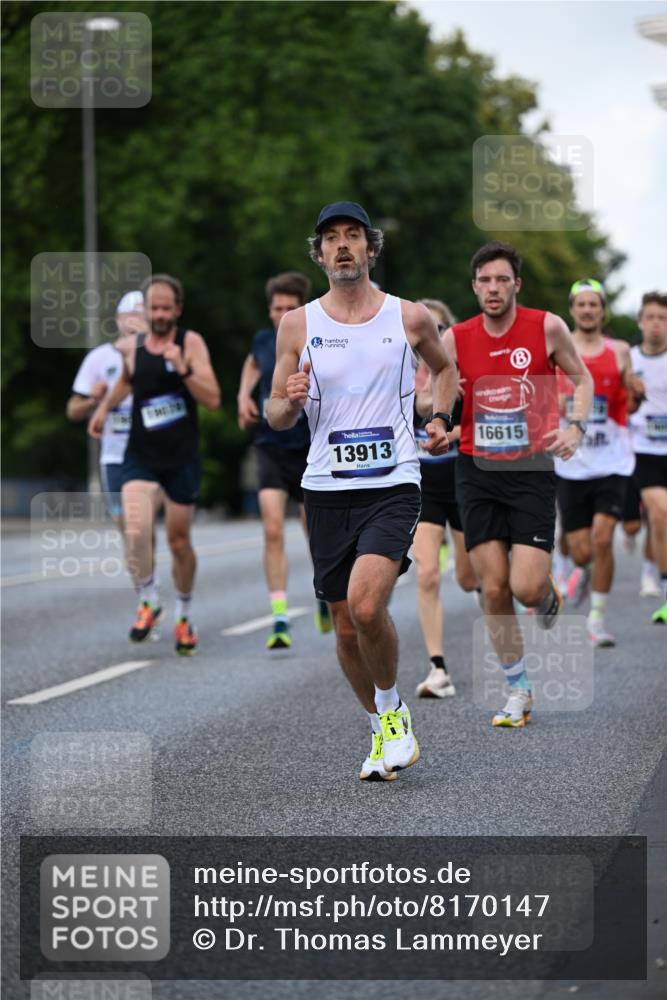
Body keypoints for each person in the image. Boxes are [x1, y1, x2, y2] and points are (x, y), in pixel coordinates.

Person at [267, 201, 457, 780]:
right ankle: (382, 727)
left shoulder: (409, 316)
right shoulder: (298, 324)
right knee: (345, 623)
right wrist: (288, 401)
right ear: (319, 253)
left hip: (394, 480)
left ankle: (393, 710)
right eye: (332, 238)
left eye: (353, 236)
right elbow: (274, 413)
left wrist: (440, 417)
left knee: (369, 604)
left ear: (371, 249)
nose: (343, 245)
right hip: (324, 486)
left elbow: (444, 369)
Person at [442, 241, 593, 728]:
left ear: (516, 285)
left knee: (525, 587)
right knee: (492, 587)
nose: (492, 288)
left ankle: (547, 595)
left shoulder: (546, 326)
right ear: (474, 286)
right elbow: (431, 398)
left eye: (501, 280)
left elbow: (582, 379)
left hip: (530, 469)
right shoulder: (456, 339)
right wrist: (439, 421)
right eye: (484, 280)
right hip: (475, 469)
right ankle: (517, 688)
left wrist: (574, 428)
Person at [89, 274, 221, 654]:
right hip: (140, 455)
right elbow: (127, 381)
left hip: (180, 457)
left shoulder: (190, 343)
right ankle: (149, 599)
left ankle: (184, 613)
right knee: (135, 525)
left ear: (177, 309)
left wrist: (182, 367)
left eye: (166, 308)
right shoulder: (132, 347)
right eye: (153, 308)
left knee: (179, 541)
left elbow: (212, 399)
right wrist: (103, 409)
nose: (160, 314)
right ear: (145, 311)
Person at [237, 272, 332, 650]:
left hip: (310, 448)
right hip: (270, 446)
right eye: (276, 308)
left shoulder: (317, 338)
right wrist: (243, 396)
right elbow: (252, 365)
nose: (281, 314)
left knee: (316, 535)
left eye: (289, 307)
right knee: (272, 530)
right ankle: (279, 617)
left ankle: (324, 594)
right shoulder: (263, 340)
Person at [555, 279, 641, 646]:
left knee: (603, 538)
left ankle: (597, 620)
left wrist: (634, 390)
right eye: (581, 304)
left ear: (602, 310)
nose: (588, 310)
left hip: (612, 460)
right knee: (581, 549)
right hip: (572, 462)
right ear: (572, 309)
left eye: (594, 304)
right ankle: (581, 569)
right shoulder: (559, 347)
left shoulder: (620, 350)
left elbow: (631, 402)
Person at [411, 299, 477, 699]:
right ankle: (438, 668)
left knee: (470, 578)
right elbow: (418, 404)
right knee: (426, 574)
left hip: (464, 481)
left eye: (438, 330)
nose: (428, 337)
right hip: (422, 485)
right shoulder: (406, 371)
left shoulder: (460, 370)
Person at [67, 290, 146, 522]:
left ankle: (143, 556)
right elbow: (72, 410)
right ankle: (135, 558)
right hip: (114, 458)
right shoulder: (99, 357)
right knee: (124, 524)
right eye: (128, 316)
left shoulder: (161, 355)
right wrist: (93, 401)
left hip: (152, 455)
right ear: (117, 320)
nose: (133, 322)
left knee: (141, 522)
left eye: (140, 316)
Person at [628, 291, 667, 623]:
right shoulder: (628, 359)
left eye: (663, 318)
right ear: (641, 321)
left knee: (662, 520)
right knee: (659, 512)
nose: (656, 324)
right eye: (651, 317)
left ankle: (652, 565)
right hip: (642, 450)